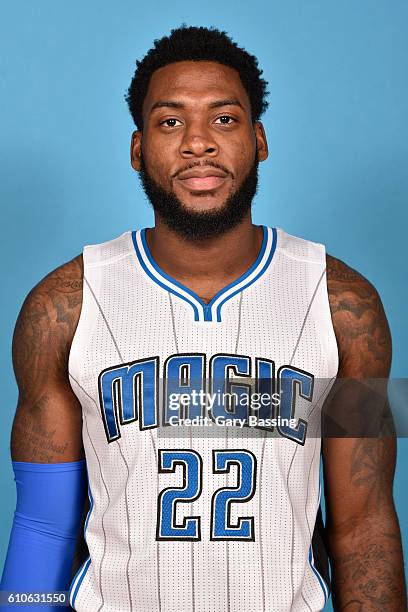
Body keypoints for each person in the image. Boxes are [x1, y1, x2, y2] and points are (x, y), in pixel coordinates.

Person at [1, 25, 406, 612]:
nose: (198, 143)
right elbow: (42, 524)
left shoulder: (347, 305)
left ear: (259, 139)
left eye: (224, 119)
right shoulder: (62, 306)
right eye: (171, 122)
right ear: (138, 147)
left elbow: (365, 523)